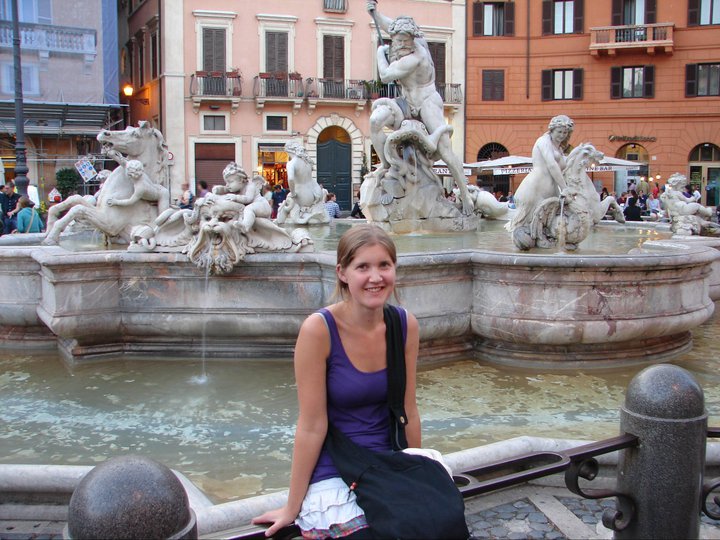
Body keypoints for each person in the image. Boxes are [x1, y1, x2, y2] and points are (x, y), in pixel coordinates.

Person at [252, 224, 420, 538]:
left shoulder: (404, 324)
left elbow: (408, 409)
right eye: (363, 267)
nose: (375, 277)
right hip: (337, 470)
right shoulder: (318, 330)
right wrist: (292, 506)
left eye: (384, 265)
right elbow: (311, 426)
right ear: (343, 273)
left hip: (388, 461)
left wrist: (418, 474)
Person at [366, 1, 473, 215]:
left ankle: (465, 194)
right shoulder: (399, 37)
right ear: (394, 38)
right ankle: (388, 165)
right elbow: (388, 25)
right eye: (399, 40)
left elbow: (386, 75)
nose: (403, 44)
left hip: (426, 101)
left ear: (413, 39)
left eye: (406, 41)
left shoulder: (417, 55)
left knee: (444, 150)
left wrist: (380, 53)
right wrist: (374, 13)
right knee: (375, 121)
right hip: (405, 102)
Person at [506, 115, 574, 235]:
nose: (562, 135)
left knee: (548, 227)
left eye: (565, 132)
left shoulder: (559, 148)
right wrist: (565, 188)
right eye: (559, 131)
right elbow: (552, 165)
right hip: (534, 189)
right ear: (551, 130)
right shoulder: (543, 141)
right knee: (523, 226)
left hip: (551, 191)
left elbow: (562, 169)